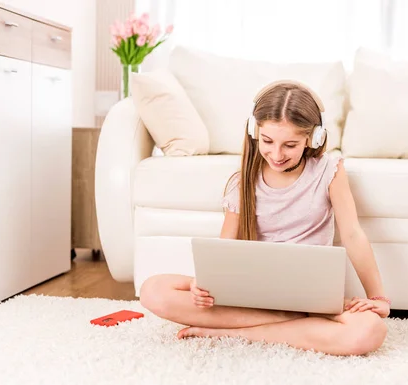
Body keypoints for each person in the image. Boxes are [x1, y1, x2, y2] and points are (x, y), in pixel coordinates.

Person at [140, 79, 390, 357]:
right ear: (254, 131)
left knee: (370, 329)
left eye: (290, 145)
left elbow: (353, 234)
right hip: (255, 300)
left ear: (313, 138)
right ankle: (292, 325)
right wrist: (200, 284)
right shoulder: (242, 183)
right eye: (268, 141)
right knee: (153, 290)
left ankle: (237, 333)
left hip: (310, 301)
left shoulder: (329, 171)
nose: (276, 154)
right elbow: (224, 252)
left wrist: (377, 297)